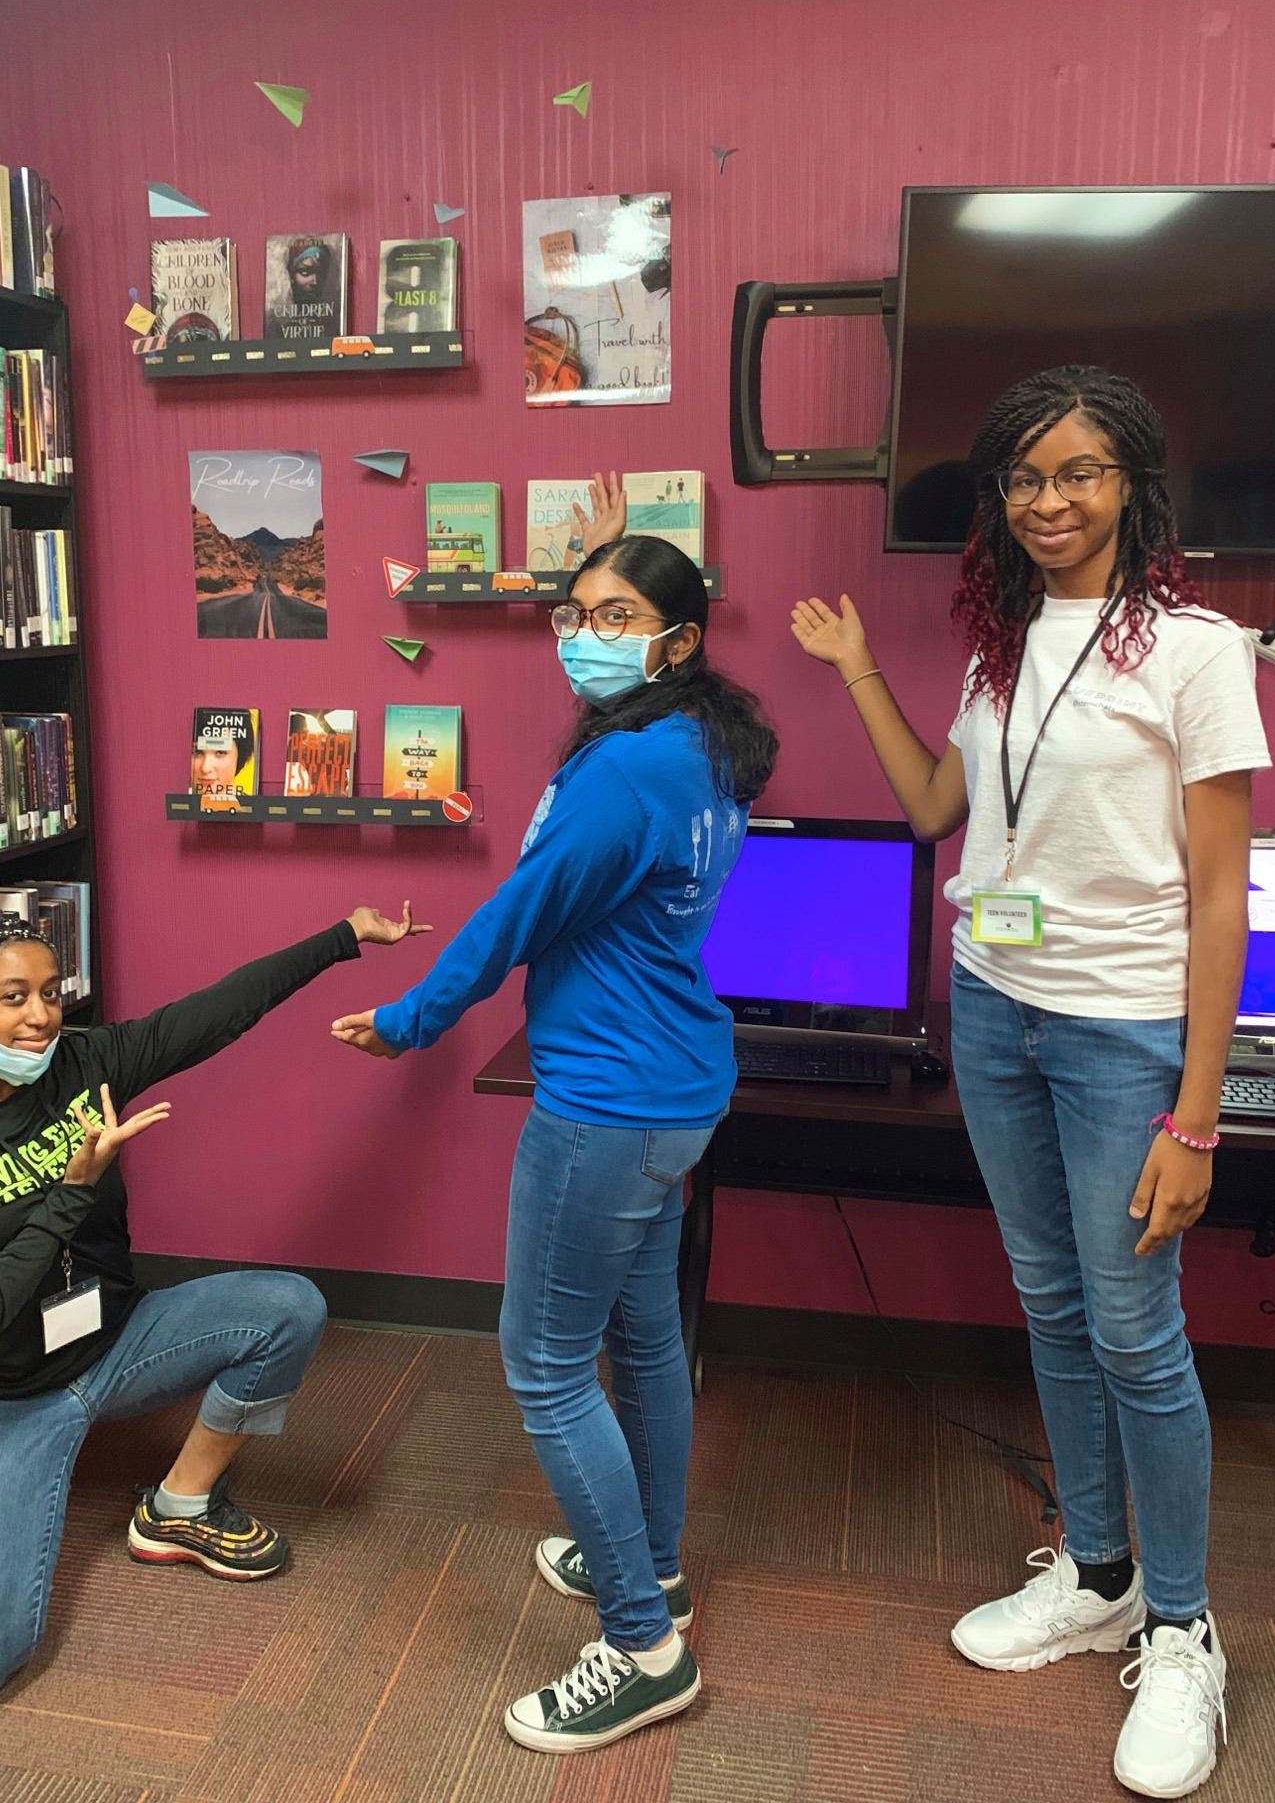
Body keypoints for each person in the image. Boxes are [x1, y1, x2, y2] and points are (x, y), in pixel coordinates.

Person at [791, 365, 1268, 1801]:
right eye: (1025, 478)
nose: (1050, 501)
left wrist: (1199, 1113)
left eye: (1080, 472)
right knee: (1053, 1305)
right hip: (995, 1009)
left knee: (1137, 1329)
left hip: (1126, 1032)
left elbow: (1222, 895)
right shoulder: (1001, 647)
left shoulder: (1197, 648)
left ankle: (1184, 1630)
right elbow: (944, 812)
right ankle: (1104, 1575)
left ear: (1134, 483)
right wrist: (858, 670)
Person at [333, 474, 778, 1755]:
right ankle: (653, 1563)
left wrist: (413, 1016)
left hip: (606, 1103)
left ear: (677, 640)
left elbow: (516, 917)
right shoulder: (699, 747)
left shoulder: (627, 767)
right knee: (641, 1346)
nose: (583, 629)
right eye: (574, 608)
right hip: (675, 1086)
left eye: (616, 610)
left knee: (539, 1361)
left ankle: (642, 1641)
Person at [0, 902, 430, 1706]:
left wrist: (345, 938)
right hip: (8, 1398)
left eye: (51, 993)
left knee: (289, 1308)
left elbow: (217, 1013)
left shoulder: (83, 1062)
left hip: (121, 1339)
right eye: (13, 998)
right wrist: (66, 1196)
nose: (41, 1016)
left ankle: (179, 1504)